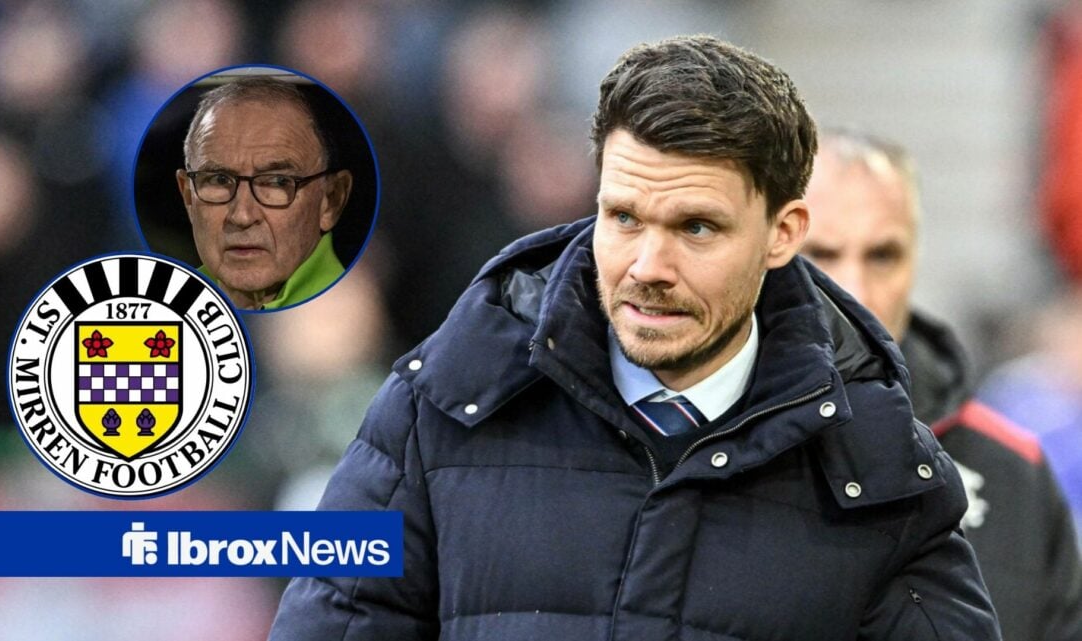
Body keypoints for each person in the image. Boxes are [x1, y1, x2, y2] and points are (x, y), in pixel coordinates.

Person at [269, 35, 1000, 640]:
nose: (648, 268)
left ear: (783, 234)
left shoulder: (882, 470)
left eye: (696, 227)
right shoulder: (437, 407)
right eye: (623, 217)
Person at [802, 128, 1082, 641]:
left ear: (915, 259)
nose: (856, 291)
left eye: (883, 255)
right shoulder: (700, 456)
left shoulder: (1014, 472)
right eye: (821, 254)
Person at [176, 76, 353, 310]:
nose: (242, 216)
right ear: (188, 197)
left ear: (331, 200)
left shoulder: (349, 319)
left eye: (277, 182)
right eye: (219, 180)